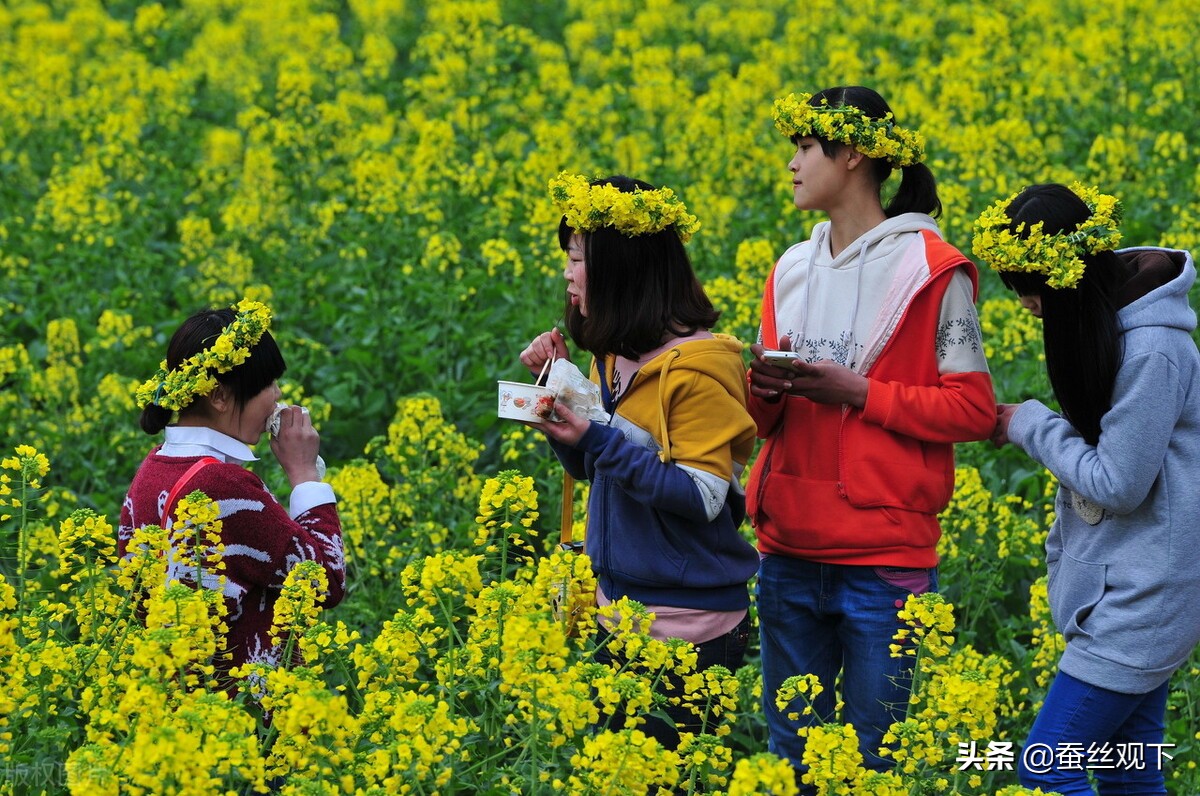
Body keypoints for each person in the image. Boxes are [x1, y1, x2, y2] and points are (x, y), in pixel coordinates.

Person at [745, 86, 996, 784]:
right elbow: (765, 424)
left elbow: (973, 411)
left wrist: (859, 393)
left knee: (879, 761)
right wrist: (762, 389)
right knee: (792, 758)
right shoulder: (791, 268)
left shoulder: (932, 272)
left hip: (884, 559)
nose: (792, 164)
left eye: (805, 148)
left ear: (852, 154)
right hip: (788, 550)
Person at [519, 172, 758, 749]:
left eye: (578, 259)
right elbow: (592, 468)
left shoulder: (698, 372)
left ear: (621, 269)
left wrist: (595, 438)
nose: (567, 273)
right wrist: (558, 398)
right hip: (616, 610)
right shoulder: (613, 356)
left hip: (687, 628)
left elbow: (701, 497)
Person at [979, 182, 1200, 796]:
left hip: (1143, 599)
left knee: (1045, 768)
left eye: (1034, 292)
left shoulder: (1152, 349)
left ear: (1068, 279)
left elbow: (1119, 484)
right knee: (1130, 775)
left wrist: (1030, 424)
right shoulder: (1116, 328)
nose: (1030, 307)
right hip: (1135, 585)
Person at [119, 299, 345, 681]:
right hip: (241, 706)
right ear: (219, 396)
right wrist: (304, 473)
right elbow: (327, 581)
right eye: (267, 384)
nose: (278, 394)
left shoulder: (152, 469)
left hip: (176, 701)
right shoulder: (222, 486)